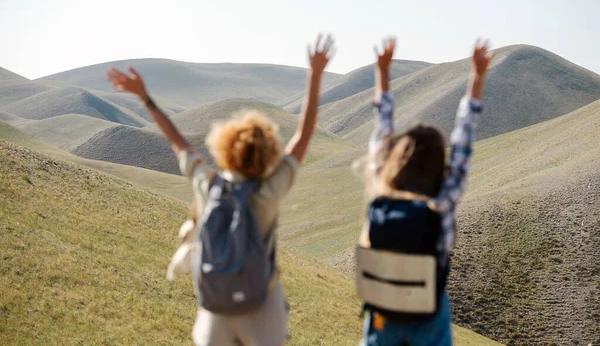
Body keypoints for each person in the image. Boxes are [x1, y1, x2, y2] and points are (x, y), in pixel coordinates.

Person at [105, 34, 335, 346]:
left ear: (224, 147)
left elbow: (178, 142)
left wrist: (145, 97)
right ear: (269, 154)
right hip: (262, 309)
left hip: (216, 311)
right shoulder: (267, 193)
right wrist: (315, 75)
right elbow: (302, 138)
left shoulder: (208, 186)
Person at [357, 37, 493, 346]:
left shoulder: (382, 192)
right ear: (438, 165)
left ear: (395, 160)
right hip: (428, 314)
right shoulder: (441, 203)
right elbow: (463, 137)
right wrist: (477, 75)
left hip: (383, 311)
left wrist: (382, 71)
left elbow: (381, 130)